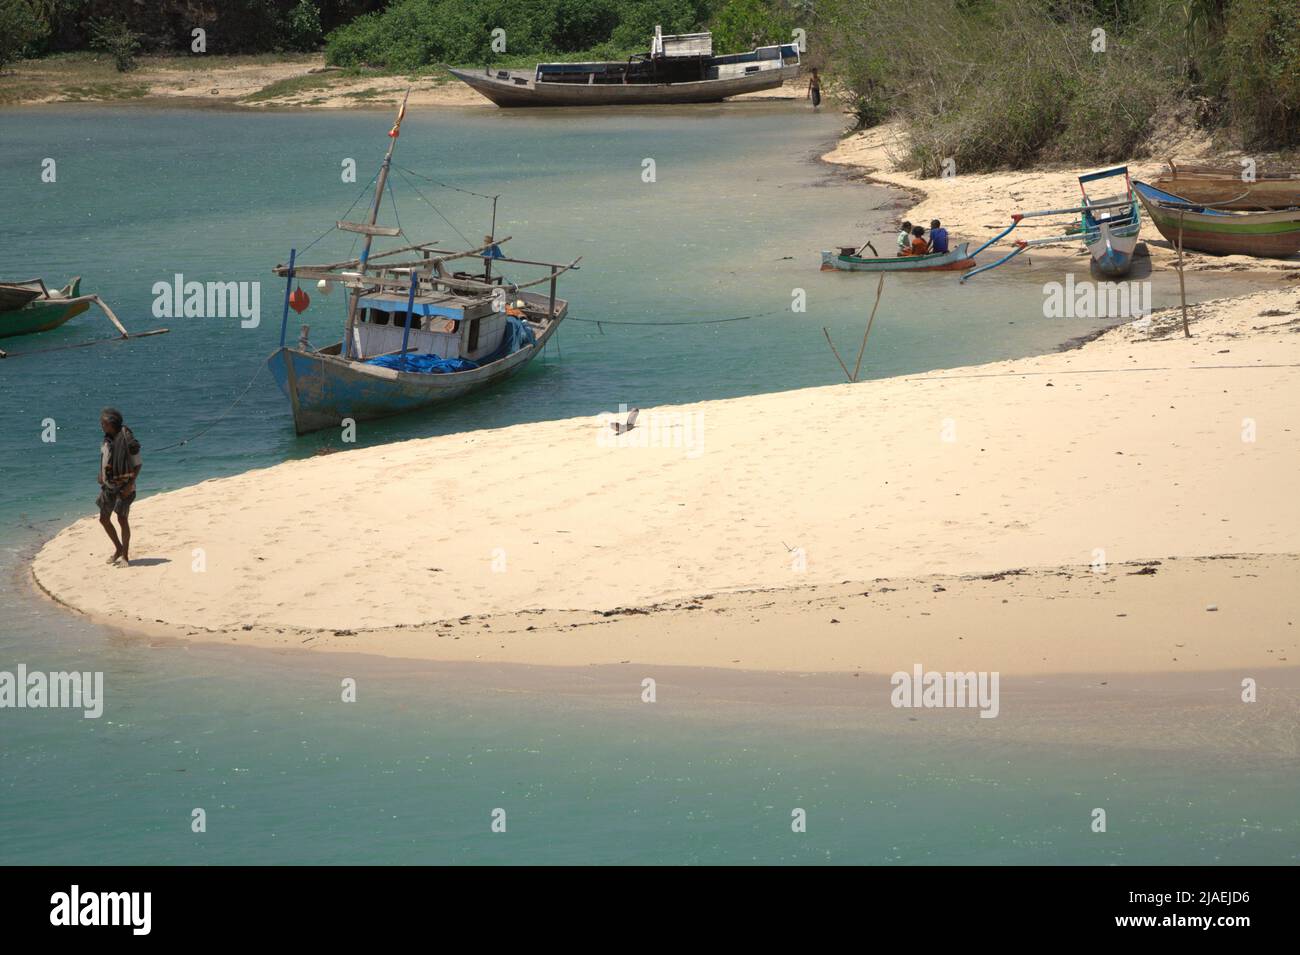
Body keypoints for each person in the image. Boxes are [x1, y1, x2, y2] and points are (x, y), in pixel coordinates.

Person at [97, 407, 141, 565]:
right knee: (103, 518)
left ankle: (125, 556)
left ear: (111, 423)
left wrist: (130, 485)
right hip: (109, 486)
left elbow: (138, 465)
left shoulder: (128, 441)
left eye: (103, 423)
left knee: (122, 519)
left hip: (125, 487)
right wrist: (100, 473)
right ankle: (118, 548)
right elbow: (103, 456)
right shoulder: (106, 439)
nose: (101, 425)